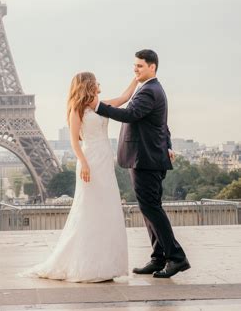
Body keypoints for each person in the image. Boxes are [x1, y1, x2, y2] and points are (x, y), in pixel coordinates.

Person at [21, 72, 136, 282]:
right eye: (94, 81)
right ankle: (89, 264)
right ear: (87, 84)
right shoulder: (77, 108)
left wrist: (137, 78)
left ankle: (105, 264)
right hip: (90, 160)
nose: (98, 83)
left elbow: (124, 98)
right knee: (89, 210)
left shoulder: (100, 105)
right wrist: (83, 162)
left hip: (104, 161)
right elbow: (74, 141)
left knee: (107, 211)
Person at [90, 49, 191, 279]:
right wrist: (168, 144)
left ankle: (176, 257)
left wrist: (98, 106)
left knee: (151, 208)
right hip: (148, 156)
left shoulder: (149, 91)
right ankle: (158, 257)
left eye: (140, 66)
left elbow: (130, 114)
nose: (135, 69)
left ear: (152, 67)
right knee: (149, 208)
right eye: (134, 66)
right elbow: (161, 125)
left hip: (145, 158)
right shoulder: (150, 88)